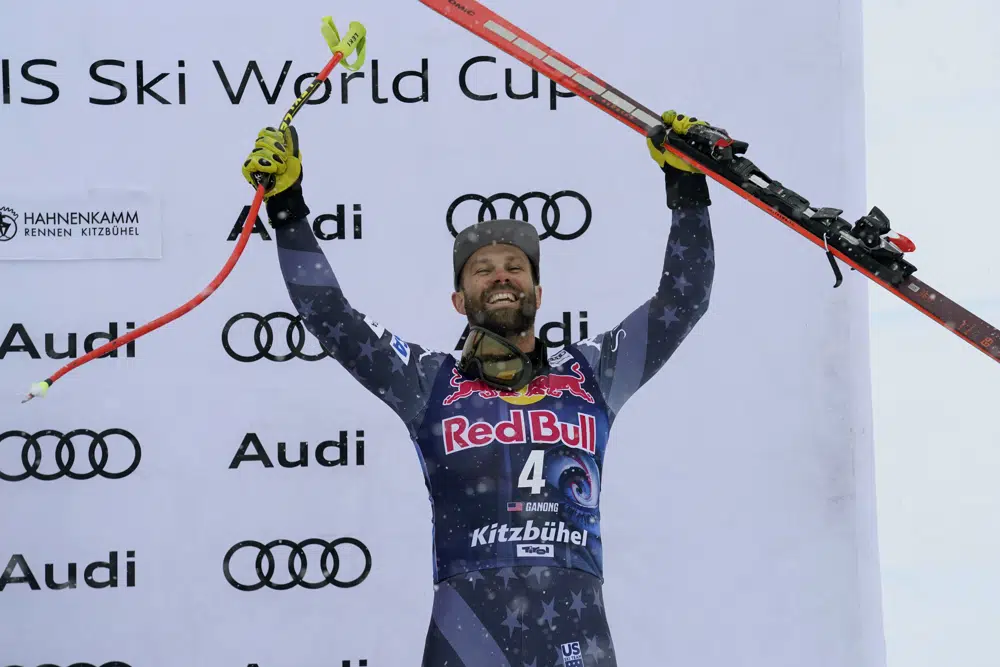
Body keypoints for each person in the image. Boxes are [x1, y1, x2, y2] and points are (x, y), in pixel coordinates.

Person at [241, 109, 716, 667]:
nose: (500, 276)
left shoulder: (592, 374)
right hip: (468, 629)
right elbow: (330, 316)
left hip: (576, 627)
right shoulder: (427, 382)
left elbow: (681, 302)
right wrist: (288, 206)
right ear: (458, 300)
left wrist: (686, 189)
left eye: (515, 266)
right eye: (481, 269)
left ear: (538, 293)